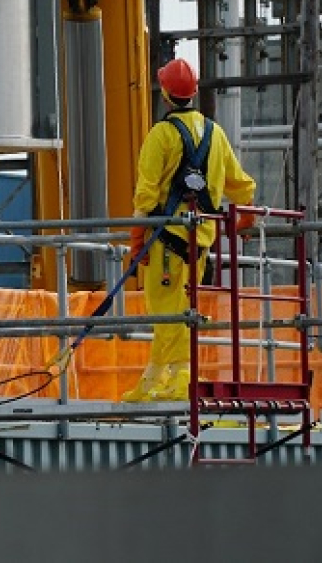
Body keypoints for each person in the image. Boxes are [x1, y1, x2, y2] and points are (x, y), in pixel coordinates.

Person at [122, 58, 256, 403]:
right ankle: (157, 376)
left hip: (166, 237)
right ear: (194, 92)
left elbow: (146, 194)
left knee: (166, 308)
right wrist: (245, 221)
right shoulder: (216, 134)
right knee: (180, 306)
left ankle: (180, 375)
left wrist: (136, 241)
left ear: (165, 94)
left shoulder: (161, 135)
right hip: (201, 240)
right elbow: (241, 187)